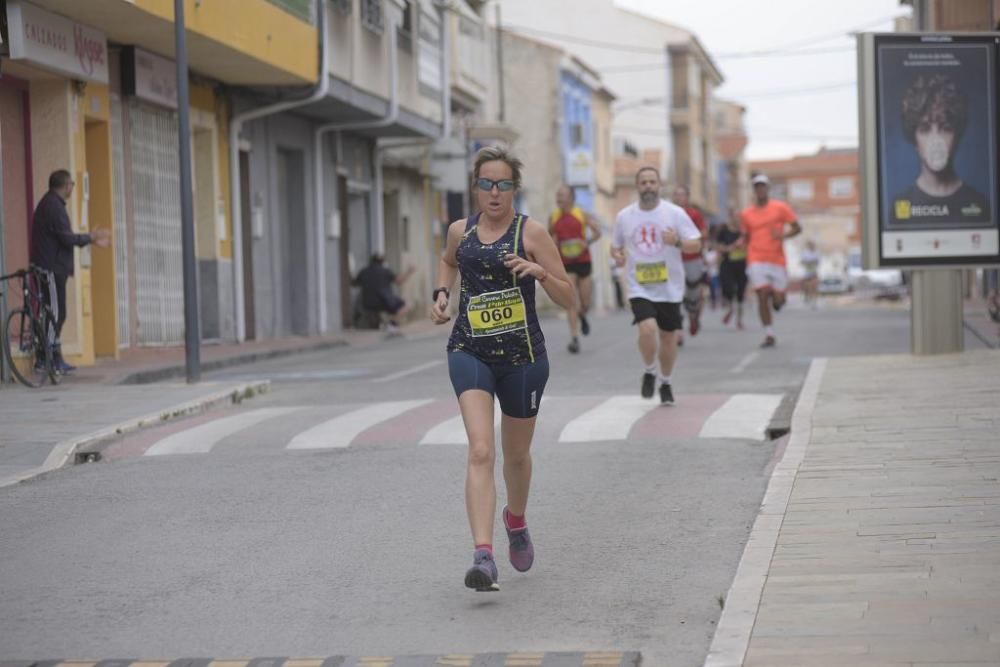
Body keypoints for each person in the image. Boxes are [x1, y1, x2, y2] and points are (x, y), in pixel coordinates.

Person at [430, 145, 575, 592]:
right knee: (480, 450)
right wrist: (441, 293)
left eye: (504, 184)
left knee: (515, 456)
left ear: (515, 188)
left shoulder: (531, 234)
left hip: (523, 359)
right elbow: (449, 260)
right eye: (486, 184)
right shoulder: (461, 230)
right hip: (469, 350)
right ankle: (483, 555)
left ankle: (516, 519)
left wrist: (540, 273)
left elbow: (572, 299)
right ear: (475, 187)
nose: (495, 193)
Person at [612, 167, 702, 405]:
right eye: (644, 182)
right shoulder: (625, 216)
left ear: (659, 185)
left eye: (652, 182)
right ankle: (650, 369)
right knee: (647, 329)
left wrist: (678, 241)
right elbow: (615, 246)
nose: (648, 186)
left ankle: (666, 380)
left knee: (668, 337)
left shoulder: (675, 213)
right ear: (637, 186)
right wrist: (618, 255)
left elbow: (696, 245)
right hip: (638, 285)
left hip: (670, 286)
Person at [29, 169, 110, 374]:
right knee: (55, 313)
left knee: (56, 313)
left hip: (50, 267)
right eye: (72, 184)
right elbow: (67, 238)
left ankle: (54, 357)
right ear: (66, 186)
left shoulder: (50, 204)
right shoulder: (54, 207)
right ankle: (45, 358)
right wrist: (91, 237)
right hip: (50, 268)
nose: (73, 188)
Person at [889, 73, 989, 226]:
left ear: (957, 136)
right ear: (914, 139)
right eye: (925, 129)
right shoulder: (900, 207)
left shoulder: (979, 205)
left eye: (945, 128)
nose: (936, 141)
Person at [740, 174, 801, 348]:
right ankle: (769, 333)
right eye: (757, 187)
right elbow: (746, 236)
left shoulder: (780, 208)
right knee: (762, 294)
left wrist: (783, 235)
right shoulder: (746, 213)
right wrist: (739, 246)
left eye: (763, 186)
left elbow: (797, 228)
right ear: (754, 190)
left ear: (768, 189)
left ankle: (779, 300)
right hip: (756, 258)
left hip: (776, 259)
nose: (760, 190)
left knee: (778, 301)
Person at [549, 185, 602, 353]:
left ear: (571, 197)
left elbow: (597, 232)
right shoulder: (553, 217)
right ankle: (574, 338)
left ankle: (583, 314)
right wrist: (554, 248)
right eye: (558, 195)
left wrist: (586, 241)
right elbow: (550, 237)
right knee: (571, 300)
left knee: (585, 302)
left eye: (562, 195)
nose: (559, 198)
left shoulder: (582, 214)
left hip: (583, 260)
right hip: (566, 263)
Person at [673, 185, 708, 339]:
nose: (679, 198)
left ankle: (693, 314)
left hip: (693, 257)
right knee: (676, 294)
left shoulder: (694, 214)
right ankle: (678, 330)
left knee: (692, 292)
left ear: (687, 197)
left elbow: (703, 233)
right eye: (677, 195)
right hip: (674, 259)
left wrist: (690, 239)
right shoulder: (669, 214)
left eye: (682, 195)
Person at [353, 254, 415, 333]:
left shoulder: (363, 271)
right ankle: (392, 323)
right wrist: (409, 272)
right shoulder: (385, 271)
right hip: (384, 301)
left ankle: (383, 323)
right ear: (382, 262)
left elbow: (354, 283)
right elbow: (399, 281)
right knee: (407, 304)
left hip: (367, 303)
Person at [716, 210, 748, 329]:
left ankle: (739, 320)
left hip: (741, 264)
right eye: (733, 217)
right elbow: (718, 247)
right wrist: (730, 248)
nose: (736, 219)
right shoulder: (724, 231)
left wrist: (743, 246)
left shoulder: (744, 232)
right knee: (728, 289)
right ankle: (730, 310)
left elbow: (750, 245)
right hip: (727, 264)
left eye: (738, 217)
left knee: (740, 292)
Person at [800, 240, 821, 308]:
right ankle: (807, 296)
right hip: (806, 272)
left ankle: (814, 301)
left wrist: (813, 262)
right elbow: (802, 261)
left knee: (814, 287)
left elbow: (818, 261)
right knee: (807, 287)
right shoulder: (805, 252)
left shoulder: (817, 252)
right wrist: (807, 262)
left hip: (814, 272)